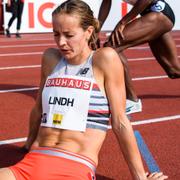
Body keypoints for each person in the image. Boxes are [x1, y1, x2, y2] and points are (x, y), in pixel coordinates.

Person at [0, 0, 168, 179]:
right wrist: (27, 145)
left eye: (69, 35)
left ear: (88, 32)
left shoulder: (105, 59)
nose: (61, 42)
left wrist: (140, 177)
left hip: (75, 165)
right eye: (56, 34)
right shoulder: (50, 58)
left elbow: (120, 122)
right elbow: (39, 108)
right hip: (33, 161)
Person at [98, 0, 180, 113]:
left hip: (158, 13)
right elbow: (106, 3)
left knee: (111, 47)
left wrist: (123, 22)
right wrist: (97, 30)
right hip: (153, 14)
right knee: (174, 71)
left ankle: (132, 100)